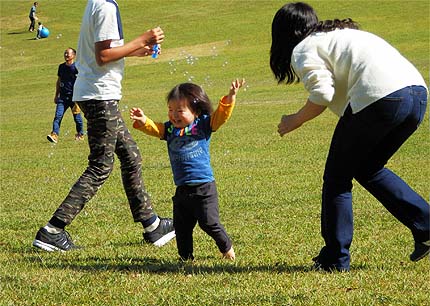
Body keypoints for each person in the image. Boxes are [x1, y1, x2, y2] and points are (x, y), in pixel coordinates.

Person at [270, 2, 429, 272]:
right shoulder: (341, 34)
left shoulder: (303, 48)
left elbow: (322, 94)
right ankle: (426, 226)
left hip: (379, 98)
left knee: (336, 178)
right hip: (417, 95)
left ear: (284, 33)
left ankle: (335, 259)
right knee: (368, 168)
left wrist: (294, 120)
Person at [33, 0, 175, 251]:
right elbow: (103, 56)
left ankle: (152, 226)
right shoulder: (106, 7)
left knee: (131, 156)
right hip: (99, 96)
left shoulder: (97, 4)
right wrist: (142, 39)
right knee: (100, 165)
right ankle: (52, 230)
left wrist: (135, 50)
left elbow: (101, 52)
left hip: (95, 94)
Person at [130, 79, 245, 261]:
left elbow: (220, 116)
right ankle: (185, 258)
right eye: (170, 110)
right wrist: (144, 120)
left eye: (180, 111)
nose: (174, 115)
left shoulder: (203, 125)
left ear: (196, 111)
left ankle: (226, 248)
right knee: (181, 227)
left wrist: (230, 97)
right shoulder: (169, 130)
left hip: (204, 188)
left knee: (209, 223)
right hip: (182, 189)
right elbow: (155, 129)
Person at [47, 47, 85, 143]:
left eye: (68, 53)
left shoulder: (77, 67)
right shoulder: (61, 67)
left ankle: (80, 134)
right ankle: (54, 135)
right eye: (65, 53)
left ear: (74, 55)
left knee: (77, 118)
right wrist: (56, 95)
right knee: (58, 116)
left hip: (75, 97)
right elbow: (59, 81)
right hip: (63, 97)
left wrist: (80, 97)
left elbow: (82, 81)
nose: (66, 55)